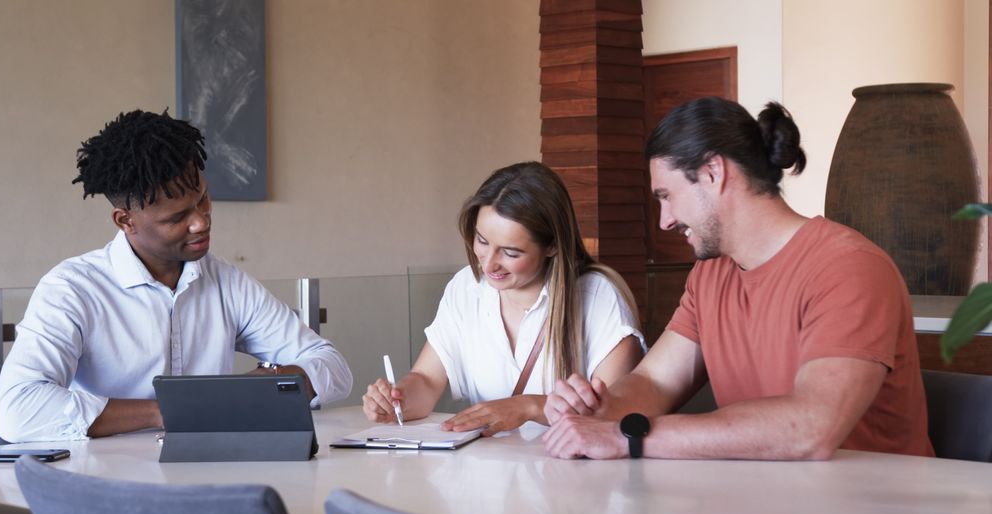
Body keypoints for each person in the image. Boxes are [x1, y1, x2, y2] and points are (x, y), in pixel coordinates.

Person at [543, 97, 934, 460]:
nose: (664, 221)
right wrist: (595, 410)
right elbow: (654, 383)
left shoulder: (849, 267)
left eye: (666, 195)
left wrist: (629, 437)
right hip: (764, 510)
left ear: (713, 172)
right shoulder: (709, 274)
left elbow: (812, 427)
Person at [0, 110, 352, 442]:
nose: (200, 221)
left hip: (209, 474)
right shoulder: (73, 289)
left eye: (203, 199)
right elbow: (16, 411)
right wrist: (169, 412)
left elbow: (333, 369)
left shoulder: (226, 281)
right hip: (106, 486)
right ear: (125, 221)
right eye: (176, 218)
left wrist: (270, 382)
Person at [362, 161, 646, 436]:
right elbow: (426, 380)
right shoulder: (466, 288)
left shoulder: (598, 297)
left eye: (510, 252)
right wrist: (396, 399)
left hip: (570, 474)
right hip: (487, 475)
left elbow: (616, 412)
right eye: (482, 242)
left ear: (552, 246)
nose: (488, 266)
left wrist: (530, 407)